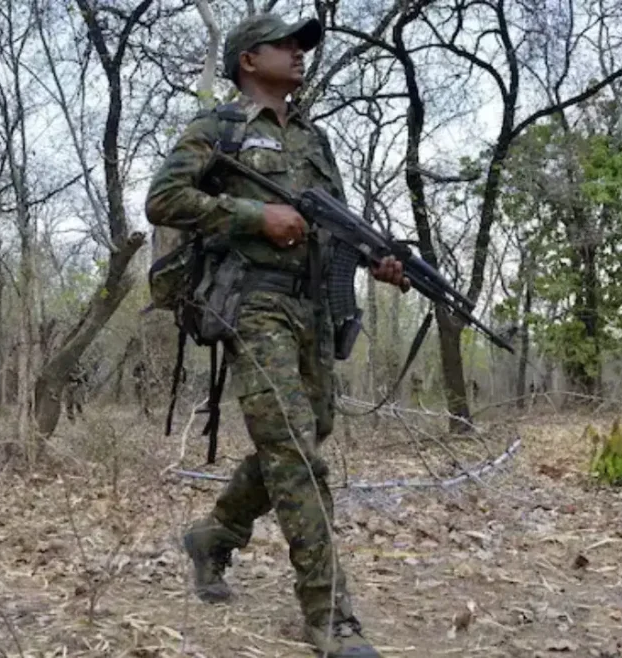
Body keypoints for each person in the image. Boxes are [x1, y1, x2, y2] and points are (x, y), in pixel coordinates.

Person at [144, 13, 409, 657]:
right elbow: (163, 199)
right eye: (284, 44)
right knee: (293, 449)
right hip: (253, 302)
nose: (298, 52)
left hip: (313, 306)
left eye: (300, 45)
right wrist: (253, 214)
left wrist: (377, 258)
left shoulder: (315, 140)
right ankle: (329, 615)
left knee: (307, 431)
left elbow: (334, 224)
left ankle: (215, 535)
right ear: (247, 60)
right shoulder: (219, 128)